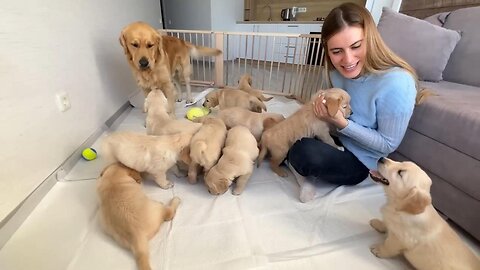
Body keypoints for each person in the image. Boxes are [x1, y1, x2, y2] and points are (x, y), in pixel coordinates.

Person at [286, 2, 427, 203]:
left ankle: (297, 165)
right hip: (333, 139)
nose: (348, 59)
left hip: (360, 159)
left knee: (305, 152)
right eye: (336, 51)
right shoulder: (335, 73)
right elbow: (324, 120)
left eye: (356, 46)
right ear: (327, 51)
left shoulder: (397, 82)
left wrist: (342, 124)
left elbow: (386, 145)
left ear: (370, 39)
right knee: (284, 130)